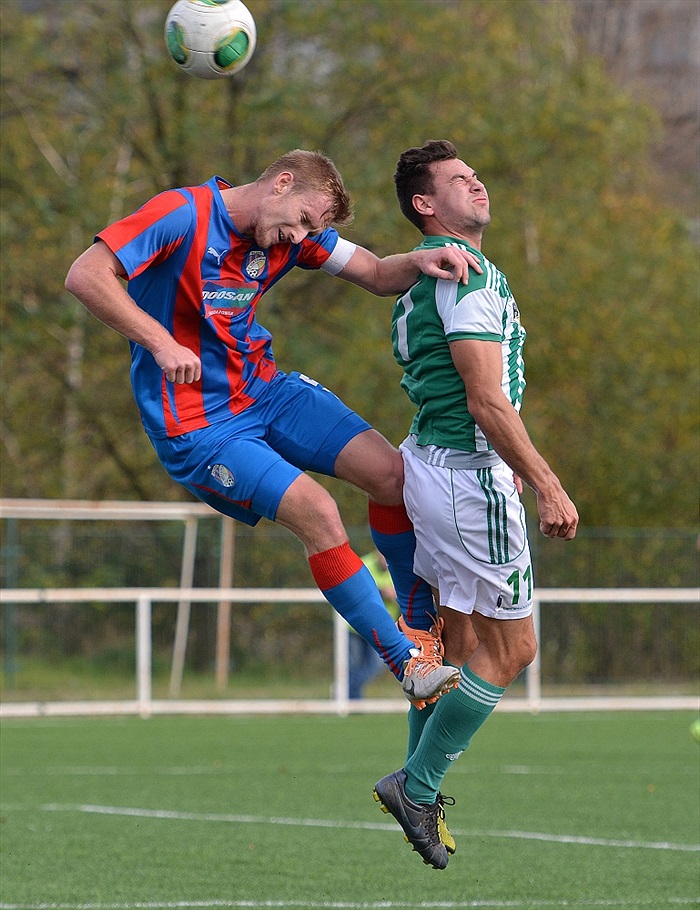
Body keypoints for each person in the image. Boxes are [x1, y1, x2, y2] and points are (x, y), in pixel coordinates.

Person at [64, 150, 480, 706]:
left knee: (391, 475)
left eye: (313, 229)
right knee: (318, 511)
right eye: (304, 220)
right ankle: (404, 662)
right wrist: (160, 341)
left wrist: (422, 261)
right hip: (199, 425)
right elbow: (85, 273)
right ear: (281, 183)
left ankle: (419, 626)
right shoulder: (182, 215)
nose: (301, 236)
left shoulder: (294, 235)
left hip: (266, 393)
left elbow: (378, 275)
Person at [372, 140, 579, 869]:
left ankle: (415, 799)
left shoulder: (426, 277)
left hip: (436, 466)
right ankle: (416, 787)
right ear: (426, 206)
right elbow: (485, 398)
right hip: (467, 477)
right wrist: (545, 479)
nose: (478, 182)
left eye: (476, 174)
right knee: (514, 648)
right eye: (460, 180)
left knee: (455, 650)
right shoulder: (462, 274)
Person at [347, 551, 400, 699]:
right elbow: (354, 588)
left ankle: (346, 691)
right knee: (353, 665)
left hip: (380, 627)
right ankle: (353, 700)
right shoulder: (364, 564)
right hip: (355, 626)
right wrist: (382, 592)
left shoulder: (397, 566)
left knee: (376, 665)